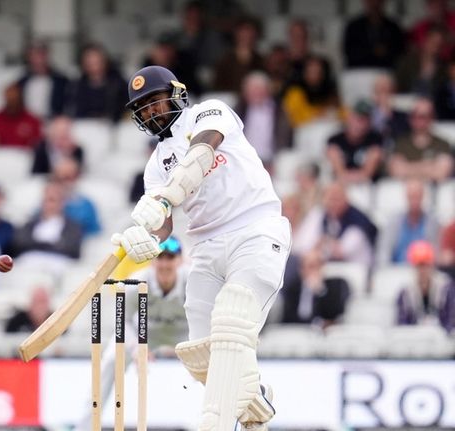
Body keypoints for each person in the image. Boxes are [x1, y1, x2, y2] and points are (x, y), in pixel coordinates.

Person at [113, 65, 290, 429]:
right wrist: (144, 237)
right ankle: (255, 394)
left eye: (155, 103)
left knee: (232, 319)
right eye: (143, 110)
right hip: (206, 248)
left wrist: (165, 197)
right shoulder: (155, 167)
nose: (151, 113)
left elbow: (201, 154)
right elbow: (162, 226)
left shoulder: (210, 112)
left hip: (255, 231)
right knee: (201, 356)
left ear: (176, 94)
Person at [76, 236, 189, 429]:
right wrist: (136, 347)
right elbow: (123, 320)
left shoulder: (192, 280)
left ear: (180, 260)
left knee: (215, 364)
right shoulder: (137, 282)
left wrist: (196, 347)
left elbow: (205, 316)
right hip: (145, 333)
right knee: (112, 359)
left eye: (170, 258)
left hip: (185, 333)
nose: (164, 264)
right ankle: (85, 427)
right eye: (160, 258)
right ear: (153, 261)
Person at [388, 98, 453, 183]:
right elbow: (397, 171)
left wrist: (408, 168)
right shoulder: (400, 144)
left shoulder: (443, 144)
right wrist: (430, 166)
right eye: (414, 115)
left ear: (432, 118)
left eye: (423, 116)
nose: (418, 120)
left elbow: (441, 173)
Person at [280, 249, 350, 327]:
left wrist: (320, 291)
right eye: (306, 267)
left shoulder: (335, 285)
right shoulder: (293, 288)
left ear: (321, 267)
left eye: (314, 266)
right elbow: (287, 317)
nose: (309, 271)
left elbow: (333, 314)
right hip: (299, 331)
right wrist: (306, 292)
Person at [396, 240, 455, 332]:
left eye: (425, 265)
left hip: (441, 340)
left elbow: (451, 320)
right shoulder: (406, 292)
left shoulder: (445, 287)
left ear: (431, 265)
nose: (422, 270)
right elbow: (402, 324)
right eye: (419, 266)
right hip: (413, 341)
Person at [326, 100, 384, 184]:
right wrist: (345, 176)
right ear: (349, 117)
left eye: (365, 120)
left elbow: (367, 172)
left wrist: (358, 176)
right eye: (357, 119)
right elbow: (339, 172)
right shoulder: (335, 140)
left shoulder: (376, 139)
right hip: (341, 185)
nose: (359, 124)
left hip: (368, 186)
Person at [343, 0, 405, 69]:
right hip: (359, 71)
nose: (375, 4)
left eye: (378, 1)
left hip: (386, 71)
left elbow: (400, 52)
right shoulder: (353, 27)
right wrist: (373, 51)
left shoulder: (393, 28)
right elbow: (349, 52)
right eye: (371, 1)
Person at [0, 82, 43, 149]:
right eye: (9, 98)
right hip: (2, 155)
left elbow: (36, 144)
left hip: (25, 156)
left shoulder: (33, 120)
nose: (12, 100)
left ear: (20, 97)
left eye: (15, 97)